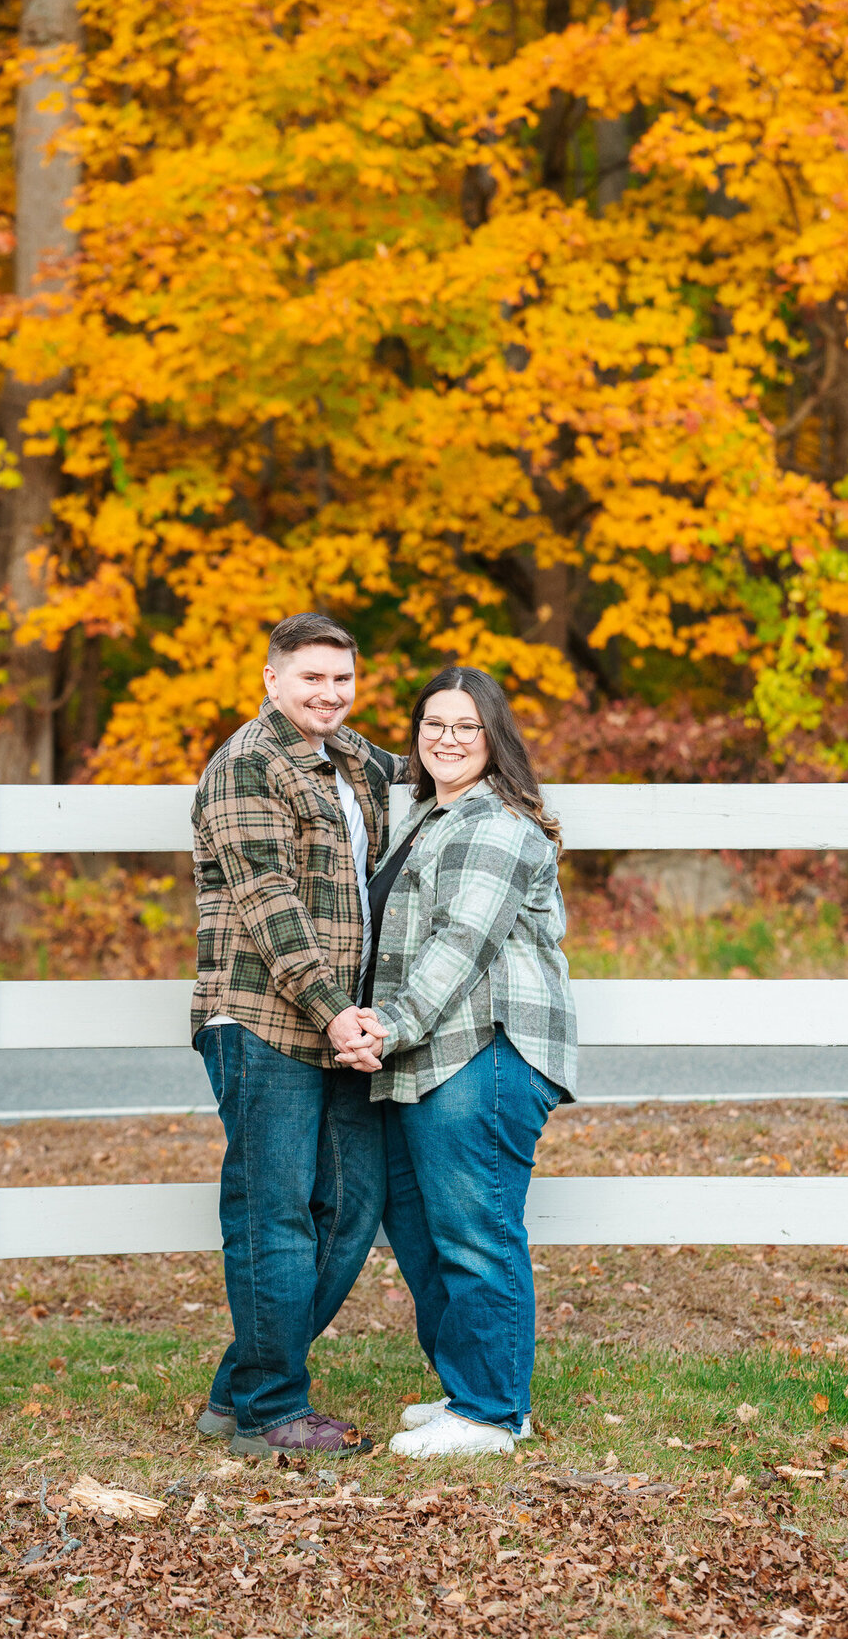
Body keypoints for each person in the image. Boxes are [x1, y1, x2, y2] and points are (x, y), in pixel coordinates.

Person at [333, 665, 577, 1458]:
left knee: (474, 1231)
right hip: (427, 1056)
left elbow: (461, 947)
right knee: (421, 1231)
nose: (447, 738)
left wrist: (387, 1025)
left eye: (467, 726)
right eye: (433, 723)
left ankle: (493, 1413)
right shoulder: (428, 819)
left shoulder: (496, 824)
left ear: (493, 737)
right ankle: (474, 1386)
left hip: (487, 1049)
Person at [190, 612, 408, 1457]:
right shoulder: (247, 765)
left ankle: (236, 1392)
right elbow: (269, 906)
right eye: (311, 677)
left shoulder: (352, 760)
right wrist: (335, 1011)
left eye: (342, 679)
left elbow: (445, 765)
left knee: (353, 1206)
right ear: (272, 680)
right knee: (274, 1213)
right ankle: (272, 1413)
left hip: (343, 1025)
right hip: (265, 1018)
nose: (329, 692)